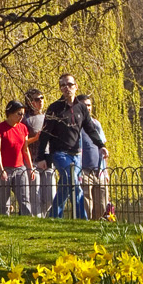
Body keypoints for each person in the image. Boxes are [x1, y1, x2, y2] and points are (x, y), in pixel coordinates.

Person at [39, 75, 93, 220]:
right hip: (60, 153)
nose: (66, 88)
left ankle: (54, 216)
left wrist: (101, 146)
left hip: (76, 154)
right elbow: (45, 134)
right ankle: (83, 219)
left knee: (67, 184)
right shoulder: (54, 108)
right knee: (72, 180)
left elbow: (90, 128)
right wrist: (41, 157)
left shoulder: (81, 108)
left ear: (76, 86)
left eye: (69, 84)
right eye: (62, 85)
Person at [0, 101, 33, 215]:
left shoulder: (23, 128)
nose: (21, 117)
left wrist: (30, 168)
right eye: (18, 114)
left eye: (23, 114)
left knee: (24, 198)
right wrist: (1, 170)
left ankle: (27, 221)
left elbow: (25, 150)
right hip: (4, 168)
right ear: (10, 113)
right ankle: (3, 223)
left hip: (20, 168)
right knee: (4, 201)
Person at [77, 94, 111, 220]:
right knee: (87, 203)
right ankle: (86, 225)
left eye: (89, 105)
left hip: (99, 171)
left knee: (102, 204)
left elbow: (102, 149)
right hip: (84, 170)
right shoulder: (75, 126)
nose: (88, 108)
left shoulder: (96, 124)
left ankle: (96, 225)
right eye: (84, 105)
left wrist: (105, 172)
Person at [22, 89, 53, 215]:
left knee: (50, 196)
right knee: (35, 197)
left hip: (48, 160)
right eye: (36, 99)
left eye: (41, 98)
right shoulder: (25, 119)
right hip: (33, 161)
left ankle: (45, 219)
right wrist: (35, 138)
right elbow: (21, 142)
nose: (40, 101)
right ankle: (37, 221)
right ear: (30, 102)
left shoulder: (49, 117)